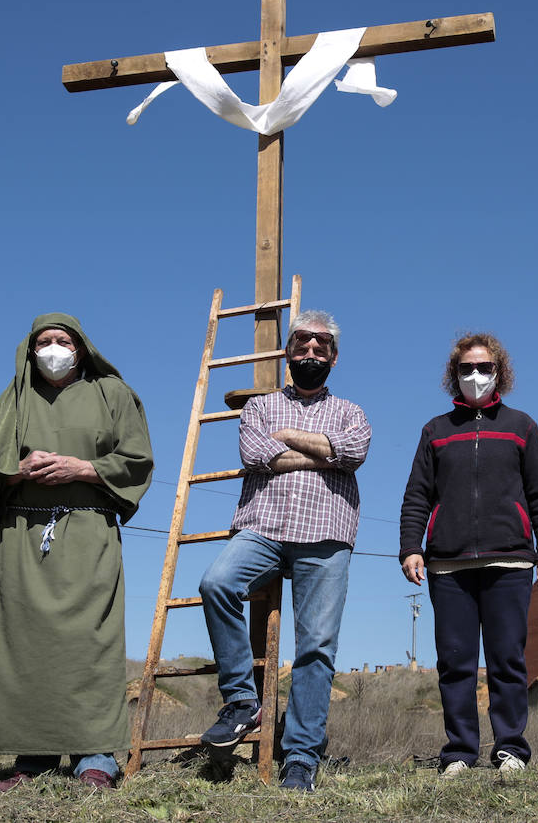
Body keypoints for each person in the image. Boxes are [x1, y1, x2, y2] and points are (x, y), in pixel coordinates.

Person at [0, 314, 153, 790]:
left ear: (81, 348)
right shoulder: (13, 399)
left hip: (88, 531)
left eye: (63, 340)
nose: (53, 349)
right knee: (23, 645)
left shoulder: (113, 393)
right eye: (44, 342)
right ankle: (34, 756)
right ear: (30, 351)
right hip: (21, 537)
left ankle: (97, 755)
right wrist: (19, 470)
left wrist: (81, 468)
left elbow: (137, 462)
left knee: (90, 643)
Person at [198, 310, 372, 792]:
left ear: (333, 358)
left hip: (326, 533)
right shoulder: (259, 408)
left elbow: (352, 452)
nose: (311, 353)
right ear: (288, 352)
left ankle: (301, 756)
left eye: (321, 347)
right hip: (264, 527)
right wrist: (323, 453)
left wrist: (291, 441)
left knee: (316, 646)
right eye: (302, 345)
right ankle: (241, 702)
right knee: (216, 583)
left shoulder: (351, 412)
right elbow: (256, 455)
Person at [398, 333, 538, 781]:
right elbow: (416, 496)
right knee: (455, 662)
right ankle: (459, 752)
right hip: (447, 566)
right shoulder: (435, 430)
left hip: (509, 562)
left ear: (499, 372)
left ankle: (511, 750)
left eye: (484, 367)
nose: (476, 375)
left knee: (508, 658)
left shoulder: (521, 426)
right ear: (454, 374)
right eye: (467, 368)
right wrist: (411, 547)